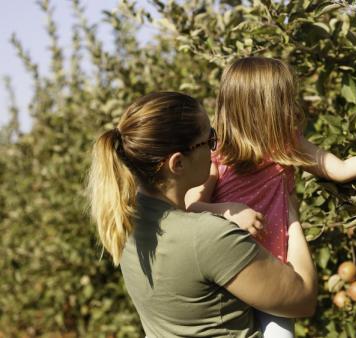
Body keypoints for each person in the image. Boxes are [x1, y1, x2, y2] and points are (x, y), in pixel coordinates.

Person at [185, 57, 356, 337]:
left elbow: (338, 168)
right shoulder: (218, 154)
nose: (290, 108)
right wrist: (231, 212)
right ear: (259, 108)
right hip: (231, 273)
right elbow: (192, 208)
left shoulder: (285, 143)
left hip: (275, 272)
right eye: (283, 101)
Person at [86, 91, 317, 337]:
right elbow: (302, 298)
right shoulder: (208, 236)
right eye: (209, 140)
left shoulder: (124, 223)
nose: (215, 149)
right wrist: (290, 215)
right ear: (178, 164)